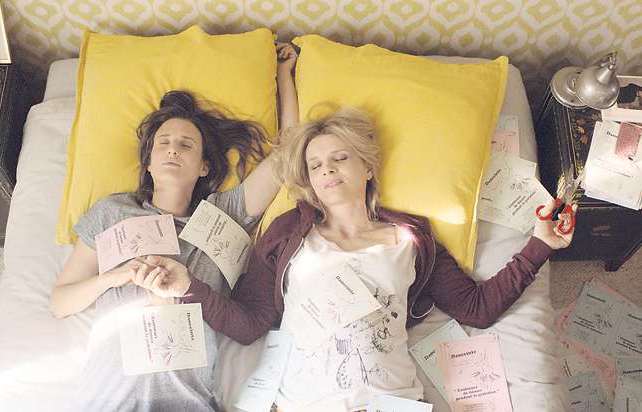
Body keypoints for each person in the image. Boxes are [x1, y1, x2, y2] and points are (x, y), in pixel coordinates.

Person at [140, 107, 577, 411]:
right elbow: (250, 323)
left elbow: (476, 309)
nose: (327, 170)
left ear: (367, 167)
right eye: (315, 165)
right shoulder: (288, 233)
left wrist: (540, 245)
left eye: (339, 158)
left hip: (392, 402)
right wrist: (188, 287)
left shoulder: (411, 237)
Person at [48, 43, 299, 411]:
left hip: (188, 402)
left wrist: (284, 76)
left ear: (204, 167)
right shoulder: (113, 211)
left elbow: (288, 152)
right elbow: (60, 303)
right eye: (163, 143)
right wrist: (117, 277)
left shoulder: (223, 213)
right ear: (148, 163)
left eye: (186, 145)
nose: (172, 150)